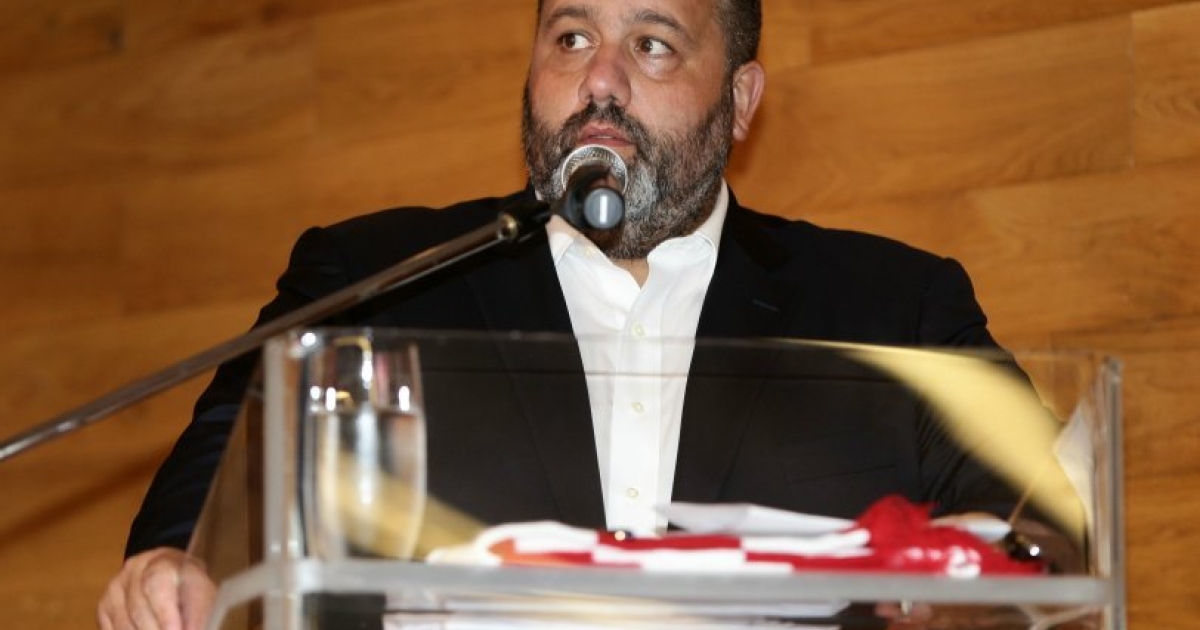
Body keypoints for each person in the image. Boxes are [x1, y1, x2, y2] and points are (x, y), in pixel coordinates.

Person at [97, 0, 1027, 628]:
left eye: (652, 44)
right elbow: (217, 475)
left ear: (741, 100)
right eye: (571, 37)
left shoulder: (892, 306)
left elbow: (1040, 526)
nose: (601, 81)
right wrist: (172, 566)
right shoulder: (377, 277)